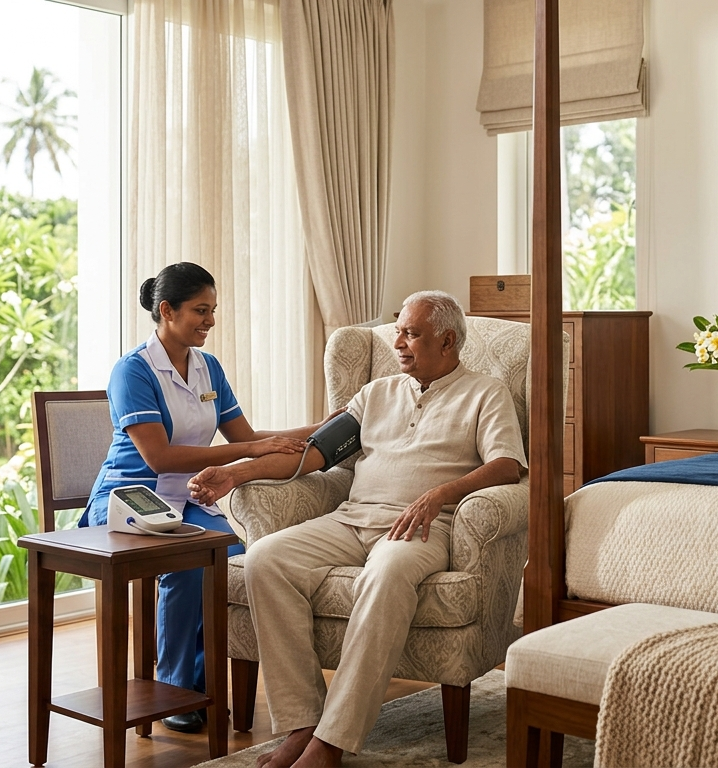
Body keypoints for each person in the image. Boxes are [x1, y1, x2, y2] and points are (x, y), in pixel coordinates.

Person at [187, 290, 527, 768]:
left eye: (412, 333)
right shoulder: (375, 393)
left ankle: (333, 741)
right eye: (398, 330)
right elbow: (314, 454)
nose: (398, 342)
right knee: (265, 559)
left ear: (448, 341)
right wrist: (239, 472)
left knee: (384, 576)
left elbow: (508, 466)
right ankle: (301, 721)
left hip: (423, 527)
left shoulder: (485, 392)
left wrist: (439, 495)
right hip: (352, 518)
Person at [82, 261, 323, 733]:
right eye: (200, 310)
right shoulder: (132, 371)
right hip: (130, 501)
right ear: (167, 311)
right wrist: (254, 449)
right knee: (193, 559)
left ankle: (203, 682)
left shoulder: (207, 366)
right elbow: (160, 457)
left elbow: (247, 435)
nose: (210, 320)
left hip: (186, 500)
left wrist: (319, 428)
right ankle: (178, 691)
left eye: (213, 310)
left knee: (236, 552)